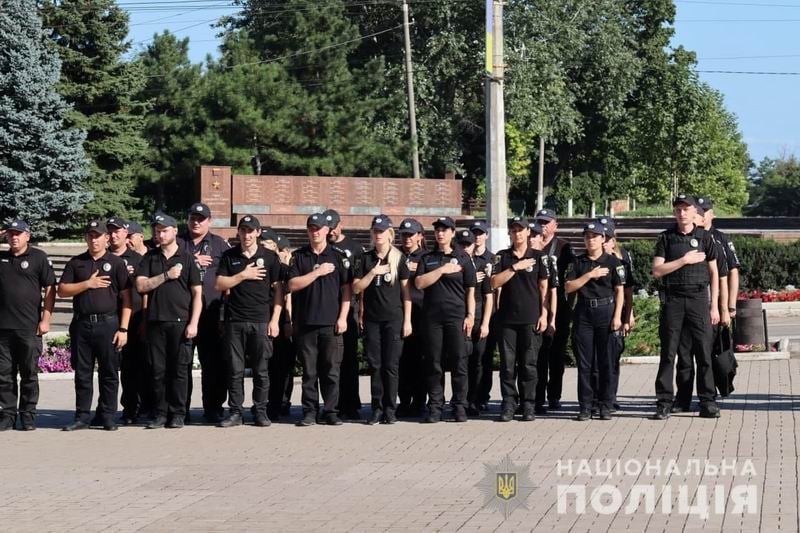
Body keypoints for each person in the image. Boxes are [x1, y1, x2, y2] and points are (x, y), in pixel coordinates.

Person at [652, 194, 721, 420]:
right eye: (678, 209)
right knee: (669, 353)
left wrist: (715, 307)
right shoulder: (666, 238)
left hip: (699, 299)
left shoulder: (705, 237)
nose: (682, 213)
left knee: (703, 352)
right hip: (673, 300)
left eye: (686, 209)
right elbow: (657, 271)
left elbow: (714, 273)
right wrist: (684, 260)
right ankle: (664, 401)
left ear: (694, 212)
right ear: (674, 213)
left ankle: (707, 401)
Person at [59, 220, 132, 431]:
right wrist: (87, 284)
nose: (94, 240)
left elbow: (126, 299)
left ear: (106, 238)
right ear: (86, 238)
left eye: (98, 236)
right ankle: (82, 416)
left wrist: (124, 329)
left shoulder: (116, 263)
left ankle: (108, 416)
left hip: (108, 324)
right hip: (82, 325)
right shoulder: (77, 262)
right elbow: (62, 290)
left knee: (109, 372)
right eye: (90, 236)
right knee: (82, 373)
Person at [215, 216, 283, 427]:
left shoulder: (270, 257)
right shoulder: (229, 256)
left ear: (258, 232)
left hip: (261, 320)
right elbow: (219, 283)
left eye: (250, 231)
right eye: (243, 231)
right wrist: (243, 275)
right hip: (235, 320)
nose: (246, 235)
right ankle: (235, 412)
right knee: (235, 370)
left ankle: (260, 411)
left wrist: (276, 319)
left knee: (261, 371)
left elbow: (279, 290)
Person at [136, 214, 203, 429]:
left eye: (164, 230)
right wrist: (166, 275)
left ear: (175, 231)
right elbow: (141, 286)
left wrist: (194, 323)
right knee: (157, 371)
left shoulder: (187, 258)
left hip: (180, 323)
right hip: (156, 322)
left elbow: (197, 294)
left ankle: (177, 413)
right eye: (157, 230)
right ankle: (160, 413)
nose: (160, 234)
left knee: (179, 371)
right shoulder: (150, 258)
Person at [288, 213, 352, 427]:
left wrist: (343, 317)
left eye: (319, 228)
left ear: (327, 230)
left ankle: (331, 411)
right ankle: (309, 411)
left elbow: (347, 291)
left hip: (330, 323)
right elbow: (292, 285)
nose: (315, 232)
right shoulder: (299, 256)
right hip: (306, 322)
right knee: (309, 371)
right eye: (311, 228)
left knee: (331, 370)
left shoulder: (337, 256)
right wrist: (317, 273)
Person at [672, 198, 732, 412]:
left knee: (705, 355)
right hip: (680, 304)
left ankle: (707, 399)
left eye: (698, 213)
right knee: (684, 355)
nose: (694, 217)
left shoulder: (710, 240)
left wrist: (720, 307)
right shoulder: (675, 239)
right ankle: (683, 399)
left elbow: (721, 275)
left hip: (703, 305)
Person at [415, 216, 476, 423]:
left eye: (445, 230)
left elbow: (471, 290)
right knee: (434, 362)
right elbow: (420, 283)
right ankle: (435, 406)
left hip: (456, 316)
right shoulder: (427, 258)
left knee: (459, 362)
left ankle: (459, 406)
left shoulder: (463, 258)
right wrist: (441, 270)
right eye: (437, 230)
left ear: (452, 233)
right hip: (432, 318)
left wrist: (470, 315)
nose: (440, 233)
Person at [352, 215, 412, 424]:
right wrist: (373, 273)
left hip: (393, 319)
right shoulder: (365, 258)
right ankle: (377, 408)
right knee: (375, 365)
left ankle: (390, 408)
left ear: (390, 234)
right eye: (375, 231)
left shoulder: (399, 258)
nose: (378, 234)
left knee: (391, 365)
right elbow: (356, 288)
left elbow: (406, 294)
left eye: (382, 231)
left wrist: (408, 320)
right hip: (372, 320)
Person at [490, 217, 549, 422]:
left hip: (531, 318)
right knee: (507, 365)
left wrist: (544, 314)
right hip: (507, 320)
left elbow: (544, 288)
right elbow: (494, 283)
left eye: (521, 230)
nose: (517, 234)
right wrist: (515, 267)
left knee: (528, 365)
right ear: (510, 234)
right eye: (513, 230)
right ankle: (508, 403)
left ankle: (528, 404)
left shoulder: (539, 257)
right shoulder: (502, 257)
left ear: (527, 233)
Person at [565, 222, 625, 421]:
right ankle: (585, 406)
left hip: (606, 311)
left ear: (602, 239)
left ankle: (605, 404)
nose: (590, 240)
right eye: (587, 236)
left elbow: (620, 291)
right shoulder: (578, 262)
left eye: (595, 236)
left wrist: (618, 316)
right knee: (585, 364)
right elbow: (569, 287)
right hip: (584, 312)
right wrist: (590, 275)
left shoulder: (612, 262)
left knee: (605, 362)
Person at [0, 220, 56, 431]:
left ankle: (28, 415)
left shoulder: (38, 257)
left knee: (29, 374)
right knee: (4, 374)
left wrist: (46, 319)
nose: (14, 237)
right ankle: (7, 414)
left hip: (29, 327)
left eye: (19, 234)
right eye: (11, 234)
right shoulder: (2, 257)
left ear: (27, 236)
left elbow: (50, 288)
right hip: (3, 328)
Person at [180, 202, 230, 423]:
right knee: (182, 366)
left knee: (214, 366)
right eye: (193, 218)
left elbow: (229, 280)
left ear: (209, 221)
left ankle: (214, 408)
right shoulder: (178, 243)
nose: (196, 222)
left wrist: (224, 315)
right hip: (182, 314)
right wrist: (192, 261)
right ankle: (181, 410)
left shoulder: (220, 245)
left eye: (201, 219)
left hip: (211, 315)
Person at [322, 208, 364, 420]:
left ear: (341, 224)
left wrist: (361, 312)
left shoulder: (354, 248)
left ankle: (351, 403)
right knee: (330, 361)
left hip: (349, 310)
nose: (330, 232)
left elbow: (360, 285)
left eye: (333, 227)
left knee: (349, 360)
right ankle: (333, 404)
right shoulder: (322, 247)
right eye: (327, 228)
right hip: (327, 311)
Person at [106, 217, 148, 425]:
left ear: (125, 234)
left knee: (135, 367)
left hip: (135, 318)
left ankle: (135, 409)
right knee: (112, 368)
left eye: (118, 232)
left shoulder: (138, 259)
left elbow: (147, 290)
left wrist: (146, 318)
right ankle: (111, 410)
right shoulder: (102, 258)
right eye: (110, 232)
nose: (114, 235)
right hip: (108, 318)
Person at [534, 209, 575, 412]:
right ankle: (538, 396)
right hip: (536, 304)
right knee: (539, 354)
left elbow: (571, 275)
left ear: (555, 225)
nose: (543, 225)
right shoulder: (530, 243)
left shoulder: (564, 247)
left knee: (556, 354)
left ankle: (554, 396)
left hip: (559, 305)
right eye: (540, 221)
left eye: (547, 222)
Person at [597, 217, 636, 411]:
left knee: (611, 358)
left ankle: (609, 397)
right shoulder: (589, 258)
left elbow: (628, 292)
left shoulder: (623, 260)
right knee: (595, 360)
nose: (603, 242)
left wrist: (629, 315)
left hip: (616, 315)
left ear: (613, 240)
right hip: (595, 315)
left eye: (607, 238)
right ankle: (596, 398)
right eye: (600, 237)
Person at [457, 229, 494, 417]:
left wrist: (486, 322)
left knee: (478, 361)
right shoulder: (453, 264)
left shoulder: (481, 265)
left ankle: (475, 400)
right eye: (461, 245)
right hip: (458, 316)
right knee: (461, 361)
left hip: (478, 317)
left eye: (468, 245)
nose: (464, 248)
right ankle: (461, 400)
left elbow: (489, 297)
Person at [396, 218, 428, 418]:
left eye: (410, 234)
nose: (407, 238)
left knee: (421, 360)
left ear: (419, 236)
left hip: (421, 313)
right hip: (398, 313)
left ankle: (419, 401)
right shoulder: (396, 256)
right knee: (401, 360)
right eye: (404, 235)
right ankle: (404, 400)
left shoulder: (427, 257)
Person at [470, 221, 497, 412]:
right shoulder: (464, 257)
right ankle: (468, 396)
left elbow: (496, 288)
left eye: (480, 233)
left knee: (483, 358)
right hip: (467, 311)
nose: (477, 237)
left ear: (486, 236)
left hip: (486, 312)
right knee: (467, 358)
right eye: (474, 233)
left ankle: (482, 396)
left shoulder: (492, 259)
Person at [267, 233, 295, 420]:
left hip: (283, 319)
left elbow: (289, 295)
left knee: (284, 366)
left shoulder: (285, 268)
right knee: (269, 366)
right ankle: (270, 402)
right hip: (265, 318)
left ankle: (282, 403)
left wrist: (288, 321)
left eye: (269, 245)